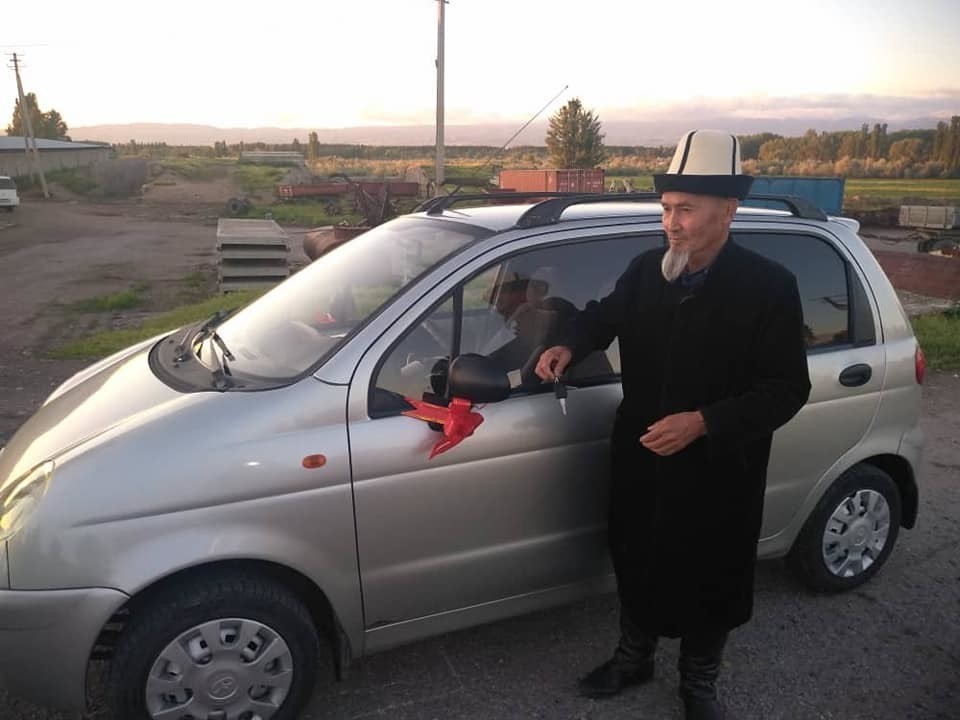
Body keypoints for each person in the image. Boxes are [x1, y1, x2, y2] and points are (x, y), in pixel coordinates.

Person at [534, 130, 812, 720]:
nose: (671, 224)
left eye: (686, 210)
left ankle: (698, 682)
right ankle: (633, 658)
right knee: (637, 558)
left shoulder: (768, 287)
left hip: (720, 471)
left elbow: (787, 389)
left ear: (727, 211)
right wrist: (568, 343)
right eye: (666, 209)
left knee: (711, 574)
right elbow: (601, 318)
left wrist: (704, 421)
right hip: (643, 454)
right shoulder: (646, 272)